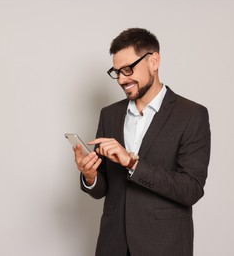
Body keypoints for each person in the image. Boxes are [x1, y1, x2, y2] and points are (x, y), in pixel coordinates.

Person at [73, 28, 211, 256]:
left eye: (128, 69)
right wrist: (90, 176)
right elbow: (103, 189)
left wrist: (132, 163)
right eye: (116, 72)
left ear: (154, 61)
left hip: (164, 245)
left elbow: (191, 189)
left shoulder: (191, 115)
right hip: (113, 245)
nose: (122, 79)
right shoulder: (109, 115)